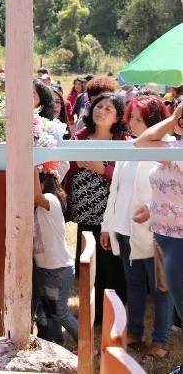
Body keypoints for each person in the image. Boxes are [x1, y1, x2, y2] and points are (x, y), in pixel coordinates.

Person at [100, 94, 173, 358]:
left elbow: (171, 190)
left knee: (161, 288)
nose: (131, 122)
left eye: (138, 119)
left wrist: (152, 212)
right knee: (134, 285)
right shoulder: (128, 148)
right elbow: (116, 191)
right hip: (125, 230)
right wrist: (107, 226)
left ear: (153, 121)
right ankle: (134, 333)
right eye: (130, 116)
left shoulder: (168, 148)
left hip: (156, 232)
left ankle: (161, 340)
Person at [62, 91, 128, 323]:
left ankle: (112, 312)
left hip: (110, 213)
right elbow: (64, 168)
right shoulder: (80, 137)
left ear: (118, 116)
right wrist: (75, 165)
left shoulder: (123, 142)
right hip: (85, 211)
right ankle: (93, 311)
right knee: (89, 263)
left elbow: (126, 176)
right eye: (99, 107)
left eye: (108, 109)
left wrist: (103, 170)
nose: (101, 111)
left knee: (111, 265)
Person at [134, 102, 183, 361]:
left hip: (179, 241)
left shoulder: (177, 151)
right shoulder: (174, 149)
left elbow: (141, 141)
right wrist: (151, 207)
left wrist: (174, 116)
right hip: (167, 237)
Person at [33, 168, 78, 346]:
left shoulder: (51, 200)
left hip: (59, 269)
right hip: (46, 268)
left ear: (41, 184)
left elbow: (36, 196)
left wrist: (33, 167)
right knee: (50, 310)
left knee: (60, 311)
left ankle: (86, 345)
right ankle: (57, 343)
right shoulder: (39, 206)